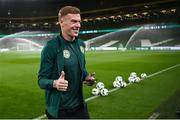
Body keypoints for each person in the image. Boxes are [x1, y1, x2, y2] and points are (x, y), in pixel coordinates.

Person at [38, 6, 95, 119]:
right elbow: (41, 80)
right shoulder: (51, 47)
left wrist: (87, 77)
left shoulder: (81, 45)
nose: (78, 25)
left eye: (79, 21)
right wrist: (55, 83)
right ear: (61, 22)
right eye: (73, 21)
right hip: (60, 112)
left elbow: (81, 69)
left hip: (80, 108)